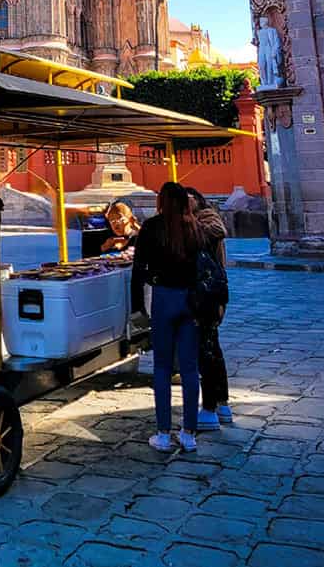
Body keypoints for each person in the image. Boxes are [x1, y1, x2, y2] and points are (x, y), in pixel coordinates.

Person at [131, 181, 203, 453]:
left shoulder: (151, 227)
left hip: (163, 297)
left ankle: (162, 433)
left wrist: (137, 307)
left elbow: (139, 270)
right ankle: (189, 433)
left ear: (161, 201)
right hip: (191, 300)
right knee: (189, 369)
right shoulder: (195, 227)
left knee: (161, 367)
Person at [186, 188, 233, 429]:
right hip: (210, 291)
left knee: (206, 352)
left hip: (208, 292)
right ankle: (222, 403)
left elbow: (215, 235)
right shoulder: (195, 223)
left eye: (188, 197)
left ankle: (210, 407)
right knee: (212, 349)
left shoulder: (207, 223)